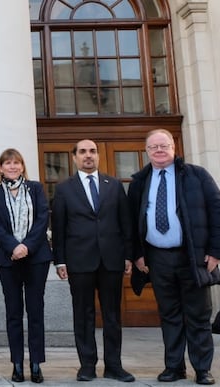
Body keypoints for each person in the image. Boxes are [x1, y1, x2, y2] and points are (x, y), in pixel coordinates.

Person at [128, 129, 220, 385]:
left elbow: (218, 212)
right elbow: (131, 223)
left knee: (198, 315)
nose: (159, 150)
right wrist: (137, 255)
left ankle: (202, 369)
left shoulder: (196, 175)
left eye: (164, 145)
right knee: (169, 315)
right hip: (157, 258)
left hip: (192, 257)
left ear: (174, 147)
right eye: (153, 147)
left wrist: (216, 252)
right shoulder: (140, 181)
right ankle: (174, 367)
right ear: (147, 151)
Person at [50, 139, 136, 383]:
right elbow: (59, 227)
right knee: (83, 315)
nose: (88, 156)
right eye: (83, 152)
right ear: (75, 157)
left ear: (98, 156)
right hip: (79, 262)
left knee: (112, 315)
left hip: (111, 260)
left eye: (92, 152)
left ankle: (114, 366)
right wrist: (60, 261)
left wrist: (128, 255)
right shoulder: (65, 189)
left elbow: (125, 223)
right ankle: (87, 365)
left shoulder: (114, 185)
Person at [0, 148, 51, 384]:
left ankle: (36, 364)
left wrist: (26, 246)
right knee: (13, 313)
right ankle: (17, 364)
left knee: (35, 312)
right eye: (8, 163)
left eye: (17, 163)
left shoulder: (35, 189)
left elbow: (42, 218)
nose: (13, 167)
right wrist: (14, 247)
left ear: (23, 166)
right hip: (8, 259)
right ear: (1, 168)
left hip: (37, 259)